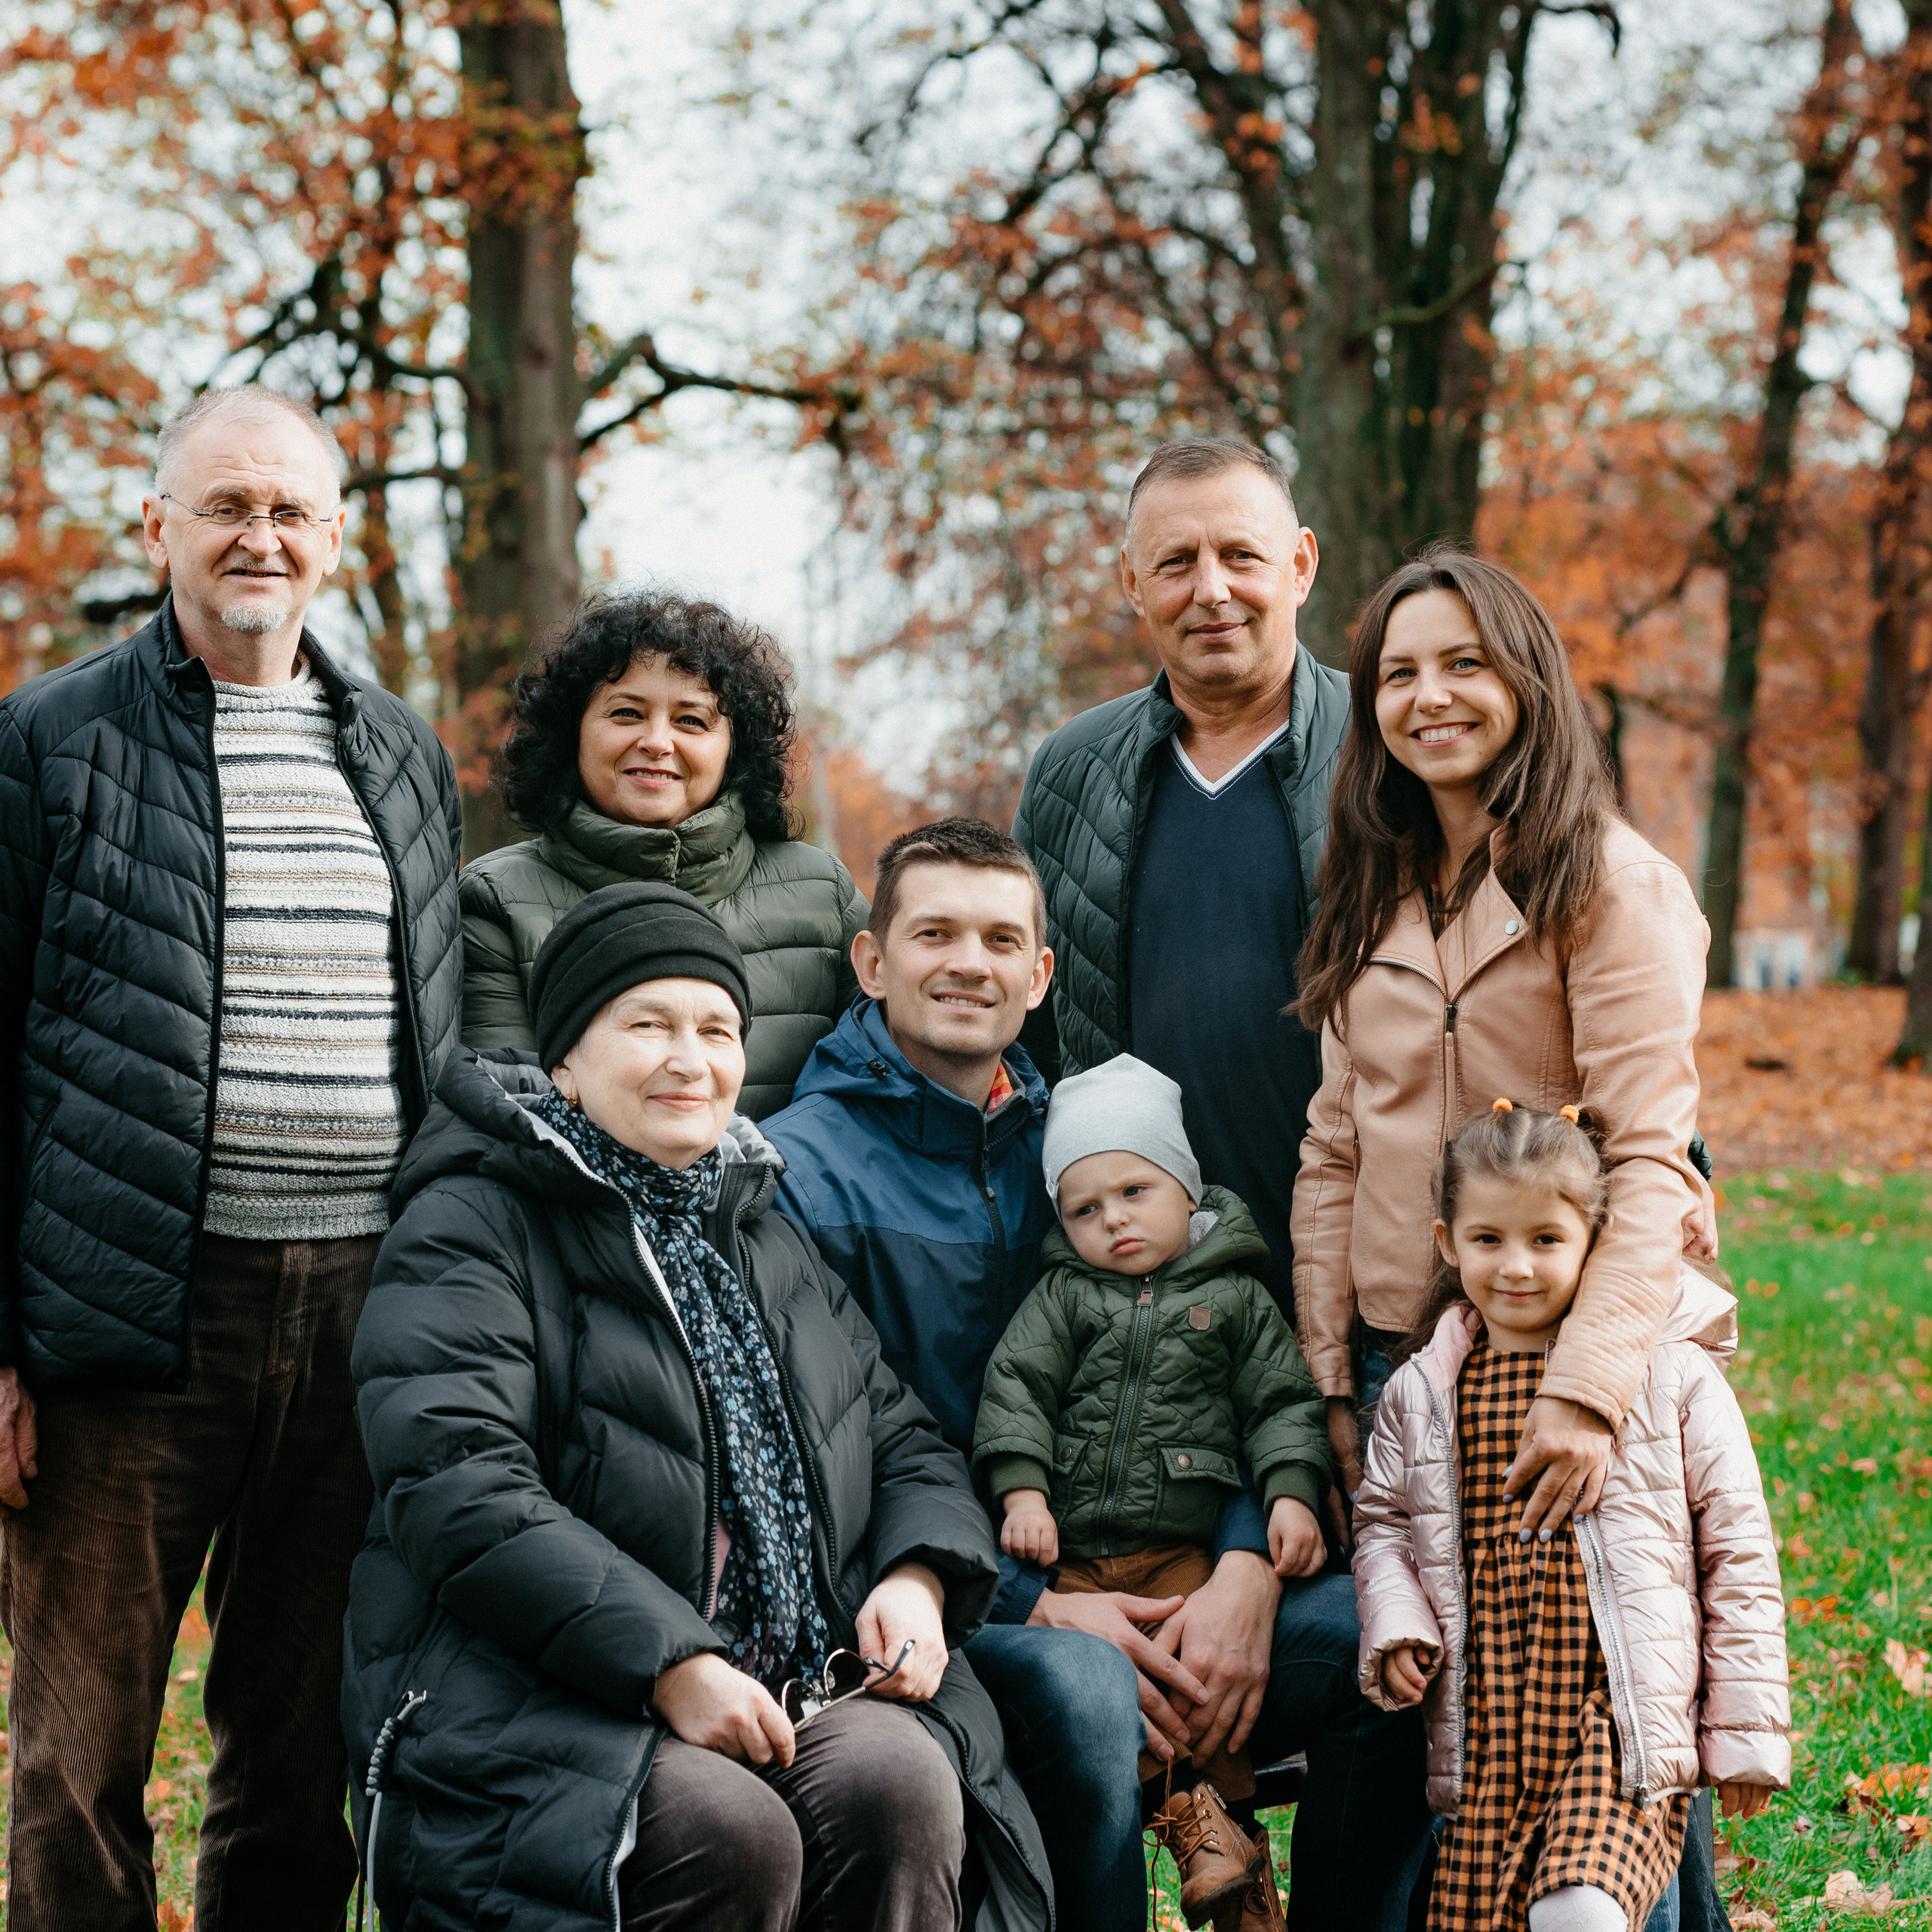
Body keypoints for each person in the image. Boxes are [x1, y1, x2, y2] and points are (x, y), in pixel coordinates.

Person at [343, 882, 1051, 1932]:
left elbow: (899, 1436)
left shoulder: (757, 1229)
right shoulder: (470, 1222)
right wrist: (673, 1662)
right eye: (648, 1025)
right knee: (733, 1829)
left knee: (895, 1786)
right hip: (538, 1686)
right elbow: (461, 1488)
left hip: (796, 1669)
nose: (692, 1058)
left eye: (717, 1029)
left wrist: (914, 1576)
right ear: (567, 1063)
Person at [0, 385, 463, 1930]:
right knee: (78, 1756)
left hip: (358, 1315)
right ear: (160, 529)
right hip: (124, 1319)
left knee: (297, 1737)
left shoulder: (400, 754)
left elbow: (437, 1042)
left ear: (332, 536)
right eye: (224, 505)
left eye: (288, 509)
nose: (258, 534)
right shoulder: (49, 741)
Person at [1009, 437, 1432, 1927]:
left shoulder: (1389, 758)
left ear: (1300, 563)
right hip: (1150, 1320)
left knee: (1416, 1646)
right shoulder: (1068, 774)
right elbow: (1035, 1048)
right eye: (1172, 560)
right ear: (1129, 583)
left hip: (1371, 1308)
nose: (1210, 589)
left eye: (1240, 554)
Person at [1292, 549, 1727, 1924]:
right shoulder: (1375, 881)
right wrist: (1333, 1374)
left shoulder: (1609, 882)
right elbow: (1334, 1145)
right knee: (1408, 1711)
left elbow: (1655, 1156)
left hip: (1561, 1356)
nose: (1430, 697)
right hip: (1397, 1362)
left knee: (1596, 1718)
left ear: (1527, 680)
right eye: (1399, 674)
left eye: (1463, 663)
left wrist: (1593, 1390)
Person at [764, 819, 1167, 1931]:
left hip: (1139, 1557)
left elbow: (1210, 1349)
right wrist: (1046, 1604)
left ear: (1040, 977)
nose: (968, 963)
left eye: (1000, 940)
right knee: (1089, 1692)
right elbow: (833, 1462)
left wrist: (1235, 1562)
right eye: (934, 932)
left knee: (1371, 1655)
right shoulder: (801, 1171)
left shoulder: (1088, 1156)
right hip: (926, 1591)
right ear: (872, 961)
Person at [1352, 1101, 1789, 1932]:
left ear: (1594, 1239)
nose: (1515, 1266)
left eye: (1545, 1239)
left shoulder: (1669, 1376)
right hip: (1489, 1730)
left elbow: (1738, 1550)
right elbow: (1381, 1523)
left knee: (1579, 1911)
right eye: (1488, 1240)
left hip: (1612, 1721)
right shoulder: (1422, 1392)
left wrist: (1742, 1734)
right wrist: (1399, 1621)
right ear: (1447, 1243)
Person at [975, 1054, 1331, 1930]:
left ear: (1184, 1187)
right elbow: (1014, 1389)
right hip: (1081, 1562)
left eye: (1135, 1190)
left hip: (1183, 1545)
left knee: (1198, 1681)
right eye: (1085, 1208)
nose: (1114, 1221)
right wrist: (1023, 1495)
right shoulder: (1063, 1296)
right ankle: (1205, 1837)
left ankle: (1230, 1859)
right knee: (1116, 1689)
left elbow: (1282, 1403)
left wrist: (1290, 1494)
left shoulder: (1237, 1297)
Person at [460, 586, 869, 1117]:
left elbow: (875, 1088)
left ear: (733, 747)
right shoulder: (497, 899)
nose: (657, 741)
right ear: (572, 734)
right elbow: (511, 1116)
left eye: (691, 720)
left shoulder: (823, 894)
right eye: (627, 713)